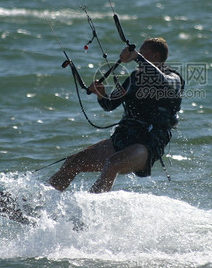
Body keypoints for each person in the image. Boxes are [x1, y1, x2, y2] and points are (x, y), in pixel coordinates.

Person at [48, 37, 183, 193]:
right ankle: (39, 203)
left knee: (112, 164)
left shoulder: (174, 79)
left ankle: (91, 212)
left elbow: (163, 82)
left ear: (155, 56)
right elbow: (109, 104)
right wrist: (101, 94)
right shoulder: (135, 79)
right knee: (73, 162)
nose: (137, 56)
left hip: (148, 143)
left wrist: (137, 57)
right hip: (124, 138)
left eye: (142, 53)